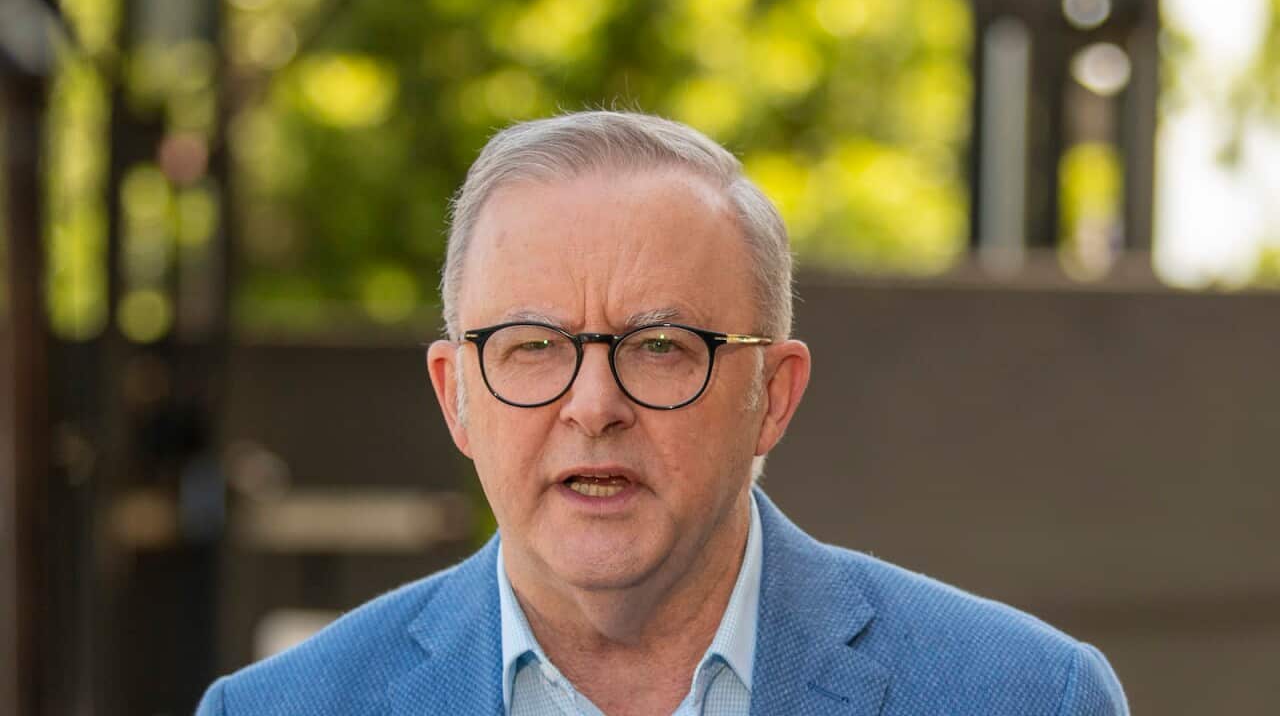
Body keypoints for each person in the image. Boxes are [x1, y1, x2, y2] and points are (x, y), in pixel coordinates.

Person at [196, 111, 1128, 715]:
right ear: (458, 396)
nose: (593, 407)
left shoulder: (1026, 698)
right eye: (532, 345)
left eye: (659, 347)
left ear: (775, 397)